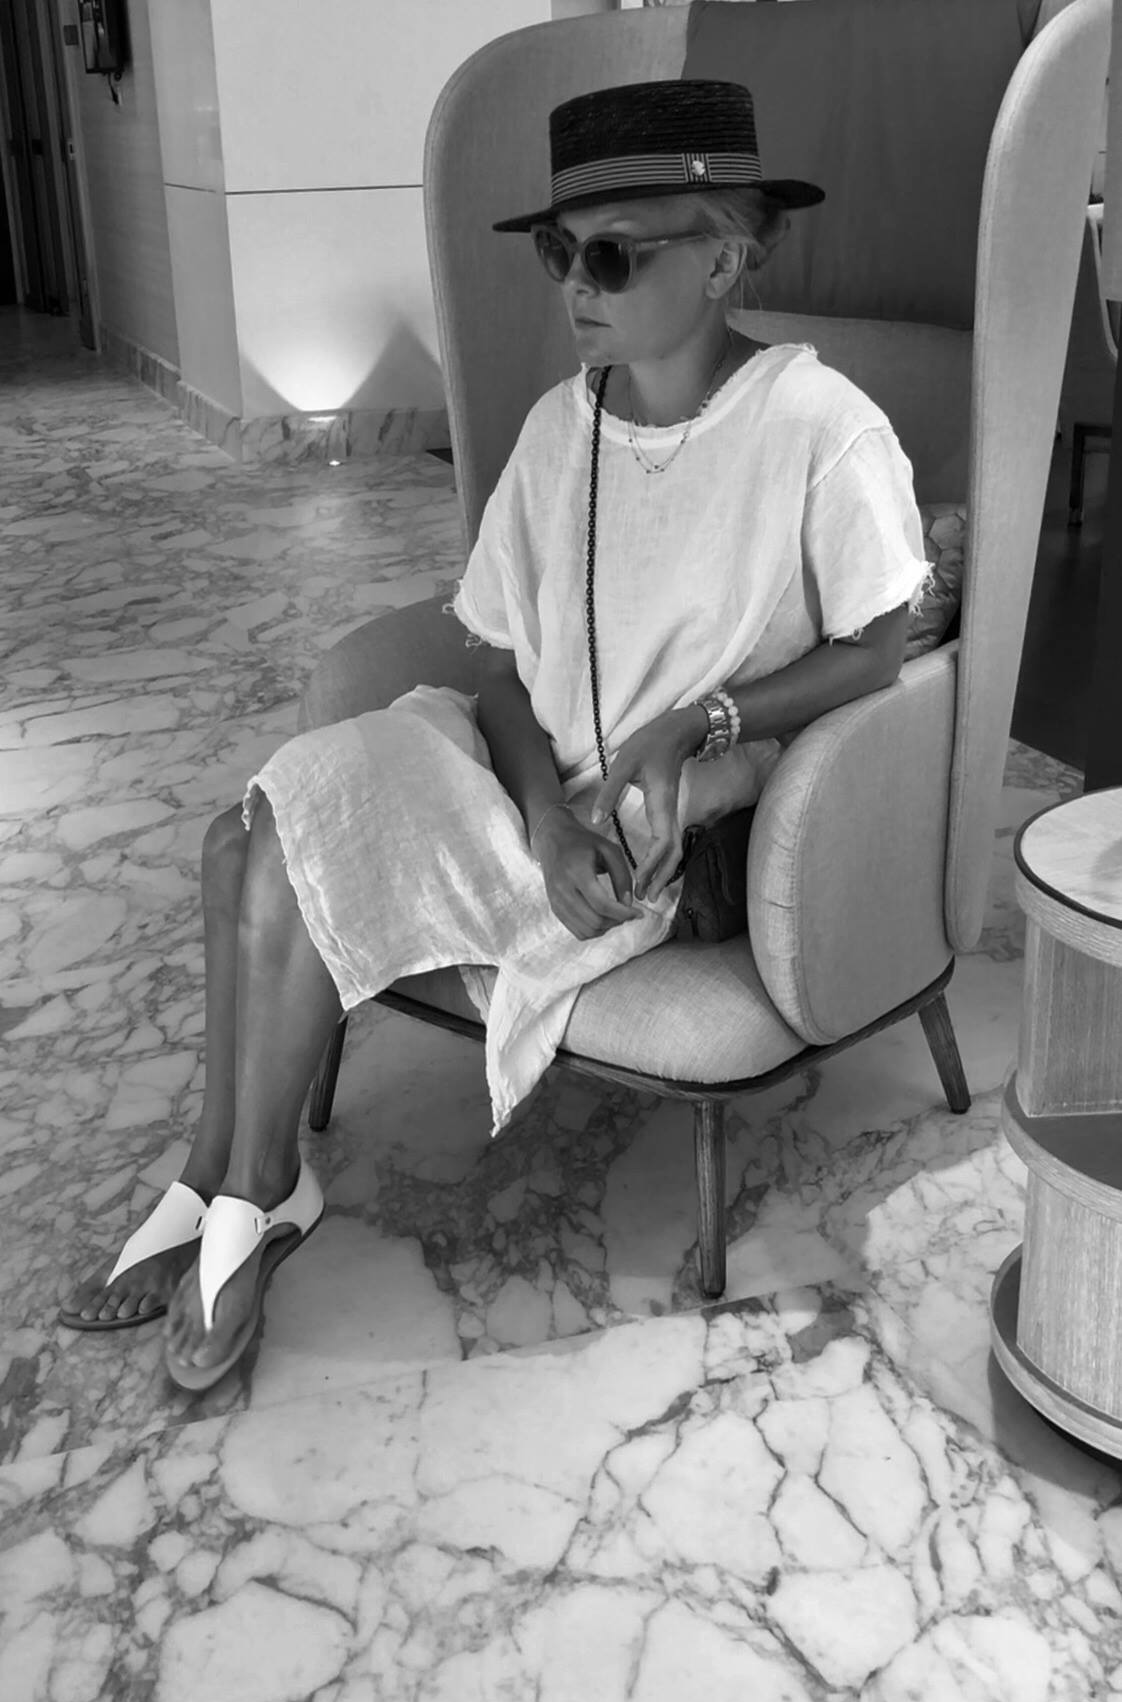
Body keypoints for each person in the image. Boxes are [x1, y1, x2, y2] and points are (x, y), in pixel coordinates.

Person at [59, 80, 932, 1391]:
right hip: (521, 782)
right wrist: (539, 814)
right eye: (556, 251)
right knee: (237, 834)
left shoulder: (818, 428)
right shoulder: (558, 427)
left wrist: (700, 721)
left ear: (724, 257)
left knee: (269, 848)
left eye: (611, 255)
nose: (574, 284)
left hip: (663, 835)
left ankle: (252, 1189)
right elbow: (500, 667)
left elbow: (882, 645)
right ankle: (223, 1174)